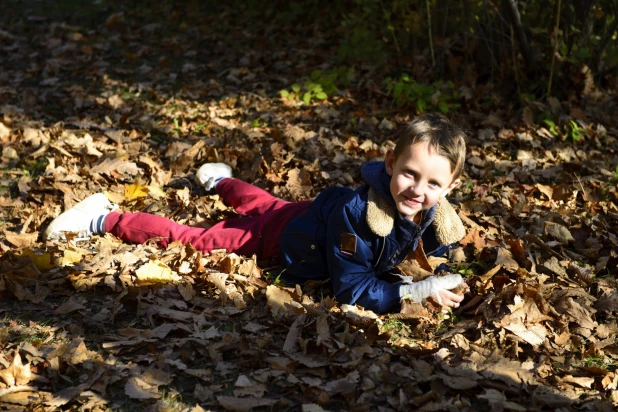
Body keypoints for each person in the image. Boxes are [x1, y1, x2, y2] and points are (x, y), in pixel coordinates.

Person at [44, 113, 468, 314]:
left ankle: (218, 182)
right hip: (276, 239)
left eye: (433, 183)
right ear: (390, 162)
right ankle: (104, 216)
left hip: (303, 217)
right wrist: (413, 292)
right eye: (410, 174)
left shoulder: (435, 213)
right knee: (198, 238)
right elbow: (351, 289)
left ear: (450, 187)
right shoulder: (360, 216)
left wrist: (434, 275)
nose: (418, 190)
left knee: (264, 202)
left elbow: (423, 250)